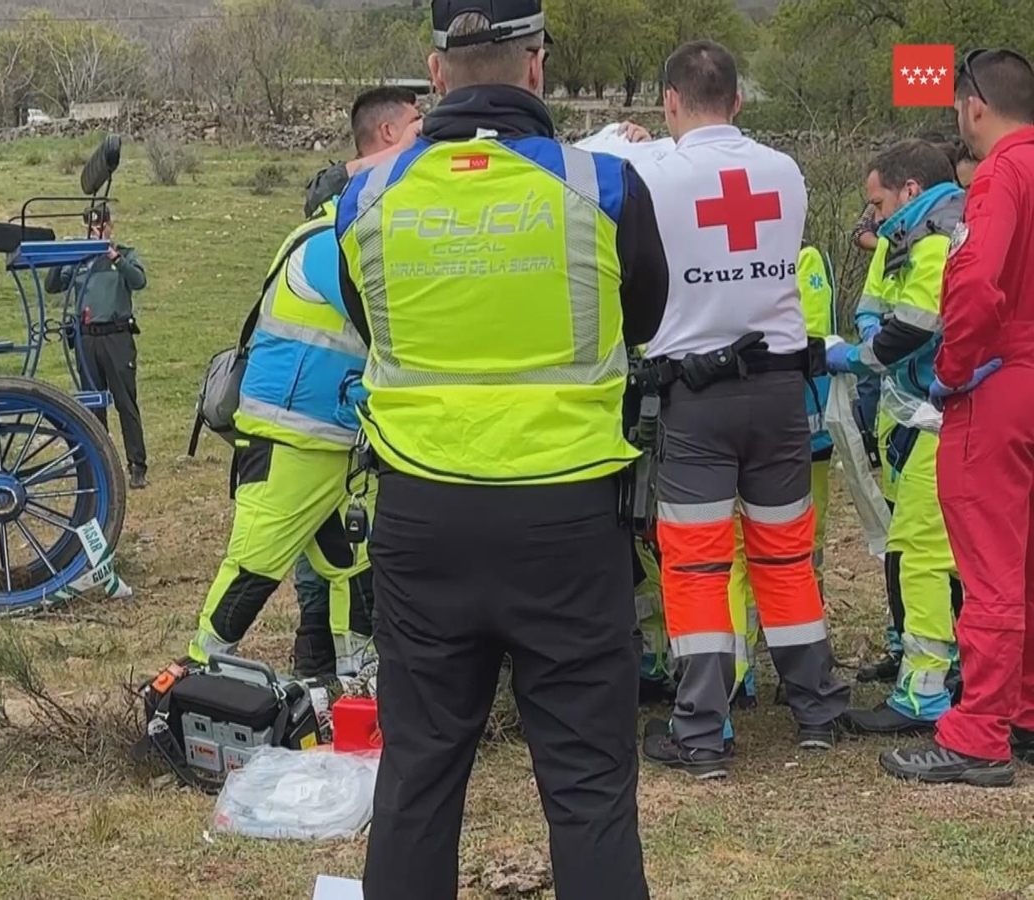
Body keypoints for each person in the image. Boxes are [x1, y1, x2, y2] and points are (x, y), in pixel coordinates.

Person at [341, 2, 669, 895]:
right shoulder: (602, 186)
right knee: (590, 785)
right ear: (536, 68)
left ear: (436, 74)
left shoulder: (367, 196)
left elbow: (368, 321)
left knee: (417, 774)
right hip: (567, 521)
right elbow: (645, 319)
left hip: (422, 516)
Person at [632, 40, 849, 779]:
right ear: (738, 102)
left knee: (695, 568)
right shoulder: (784, 171)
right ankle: (818, 711)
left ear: (668, 102)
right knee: (785, 556)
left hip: (698, 397)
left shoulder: (652, 171)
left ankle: (701, 732)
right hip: (781, 393)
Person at [185, 87, 421, 680]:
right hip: (291, 438)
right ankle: (196, 671)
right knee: (255, 565)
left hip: (329, 440)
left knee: (349, 564)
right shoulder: (328, 244)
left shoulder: (330, 234)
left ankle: (357, 676)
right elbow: (385, 330)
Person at [883, 47, 1034, 786]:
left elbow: (973, 285)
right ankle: (1025, 713)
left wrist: (950, 369)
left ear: (973, 105)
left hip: (999, 386)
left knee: (989, 567)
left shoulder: (1002, 175)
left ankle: (977, 733)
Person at [825, 140, 965, 735]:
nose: (874, 219)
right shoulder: (916, 236)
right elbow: (879, 309)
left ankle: (926, 689)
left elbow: (910, 328)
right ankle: (940, 668)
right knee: (925, 551)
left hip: (938, 419)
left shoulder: (932, 239)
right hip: (921, 418)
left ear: (909, 191)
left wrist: (856, 356)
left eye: (878, 203)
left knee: (924, 556)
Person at [728, 242, 839, 709]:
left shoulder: (802, 257)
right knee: (742, 554)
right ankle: (742, 676)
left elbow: (810, 333)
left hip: (800, 436)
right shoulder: (785, 256)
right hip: (776, 428)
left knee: (797, 553)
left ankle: (794, 673)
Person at [46, 209, 150, 490]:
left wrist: (113, 256)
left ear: (110, 226)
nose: (96, 230)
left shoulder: (124, 253)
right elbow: (53, 286)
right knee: (93, 404)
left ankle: (137, 465)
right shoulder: (80, 258)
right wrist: (61, 255)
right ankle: (99, 465)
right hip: (86, 339)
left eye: (101, 225)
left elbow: (139, 281)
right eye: (91, 225)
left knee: (125, 402)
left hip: (116, 337)